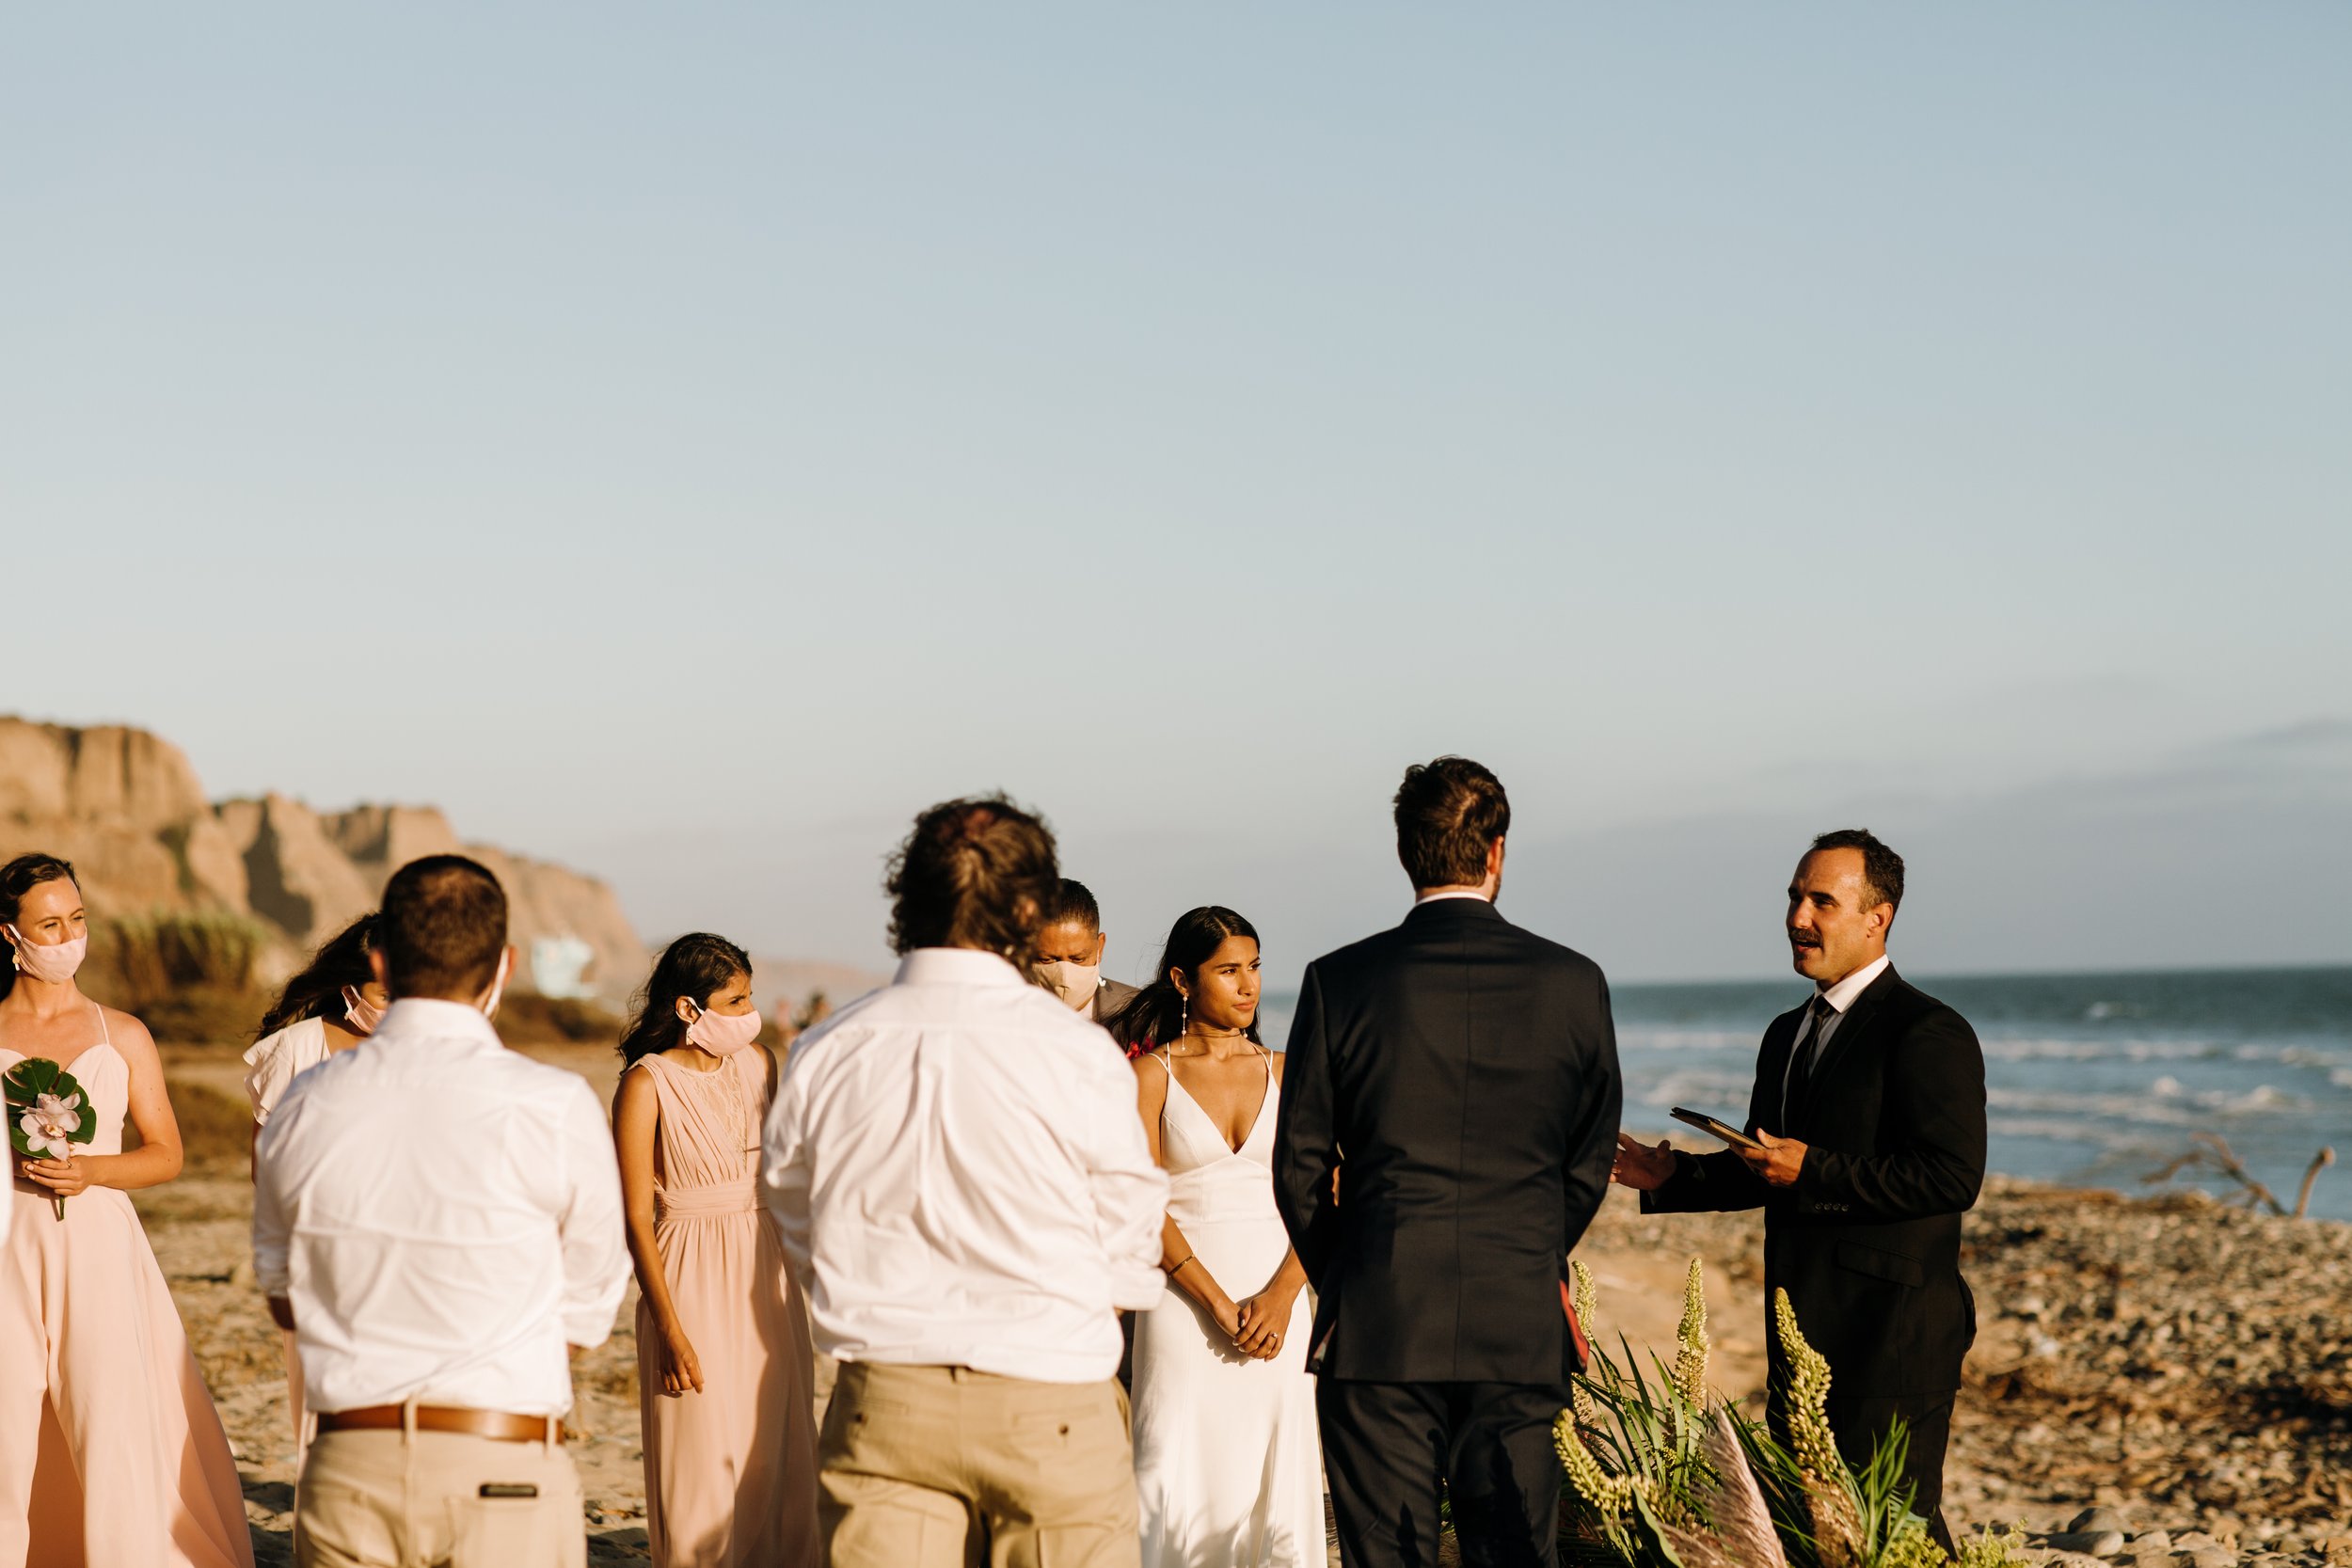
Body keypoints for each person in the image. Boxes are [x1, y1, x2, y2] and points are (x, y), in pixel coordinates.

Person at [762, 795, 1168, 1568]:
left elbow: (793, 1215)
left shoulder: (828, 1048)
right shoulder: (1077, 1053)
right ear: (1029, 909)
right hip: (1053, 1397)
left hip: (886, 1401)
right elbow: (1129, 1229)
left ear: (908, 899)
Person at [1273, 758, 1623, 1568]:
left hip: (1381, 1321)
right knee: (1514, 1554)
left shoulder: (1341, 981)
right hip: (1518, 1320)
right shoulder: (1574, 983)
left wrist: (1354, 1273)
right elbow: (1591, 1153)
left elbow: (1298, 1165)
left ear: (1405, 851)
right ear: (1497, 851)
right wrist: (1533, 1243)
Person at [1612, 830, 1985, 1551]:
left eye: (1821, 900)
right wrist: (1673, 1175)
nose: (1797, 917)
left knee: (1896, 1539)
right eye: (1793, 897)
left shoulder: (1927, 1031)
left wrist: (1811, 1169)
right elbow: (1767, 1162)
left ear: (1878, 917)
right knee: (1816, 1535)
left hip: (1894, 1336)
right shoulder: (1787, 1033)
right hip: (1799, 1329)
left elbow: (1951, 1175)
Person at [253, 854, 630, 1568]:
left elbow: (282, 1291)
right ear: (506, 965)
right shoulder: (555, 1105)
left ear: (380, 959)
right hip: (502, 1467)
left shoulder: (306, 1102)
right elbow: (586, 1309)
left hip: (347, 1469)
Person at [0, 852, 254, 1568]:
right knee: (8, 1421)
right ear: (8, 935)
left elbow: (166, 1151)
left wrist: (90, 1170)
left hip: (99, 1249)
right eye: (49, 923)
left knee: (107, 1412)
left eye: (76, 918)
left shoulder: (124, 1033)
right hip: (5, 1247)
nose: (68, 936)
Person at [1122, 907, 1323, 1568]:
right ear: (1183, 979)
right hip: (1183, 1308)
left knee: (1273, 1472)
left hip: (1280, 1307)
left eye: (1256, 967)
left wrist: (1283, 1294)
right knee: (1169, 1465)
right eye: (1228, 969)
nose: (1249, 985)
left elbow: (1334, 1191)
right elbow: (1142, 1205)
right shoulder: (1151, 1074)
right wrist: (1214, 1301)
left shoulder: (1289, 1070)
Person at [612, 933, 819, 1568]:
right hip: (688, 1271)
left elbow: (786, 1175)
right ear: (687, 1008)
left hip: (767, 1266)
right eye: (734, 1000)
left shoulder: (761, 1064)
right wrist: (669, 1327)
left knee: (775, 1443)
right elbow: (634, 1218)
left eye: (750, 996)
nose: (748, 1012)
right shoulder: (645, 1084)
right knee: (700, 1456)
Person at [245, 911, 389, 1458]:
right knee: (326, 1411)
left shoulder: (420, 1048)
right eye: (385, 990)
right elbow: (267, 1165)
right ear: (351, 988)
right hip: (321, 1254)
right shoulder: (297, 1049)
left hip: (409, 1251)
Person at [1036, 879, 1139, 1027]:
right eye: (1047, 959)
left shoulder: (1139, 1012)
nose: (1065, 974)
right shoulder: (998, 1015)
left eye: (1077, 959)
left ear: (1100, 947)